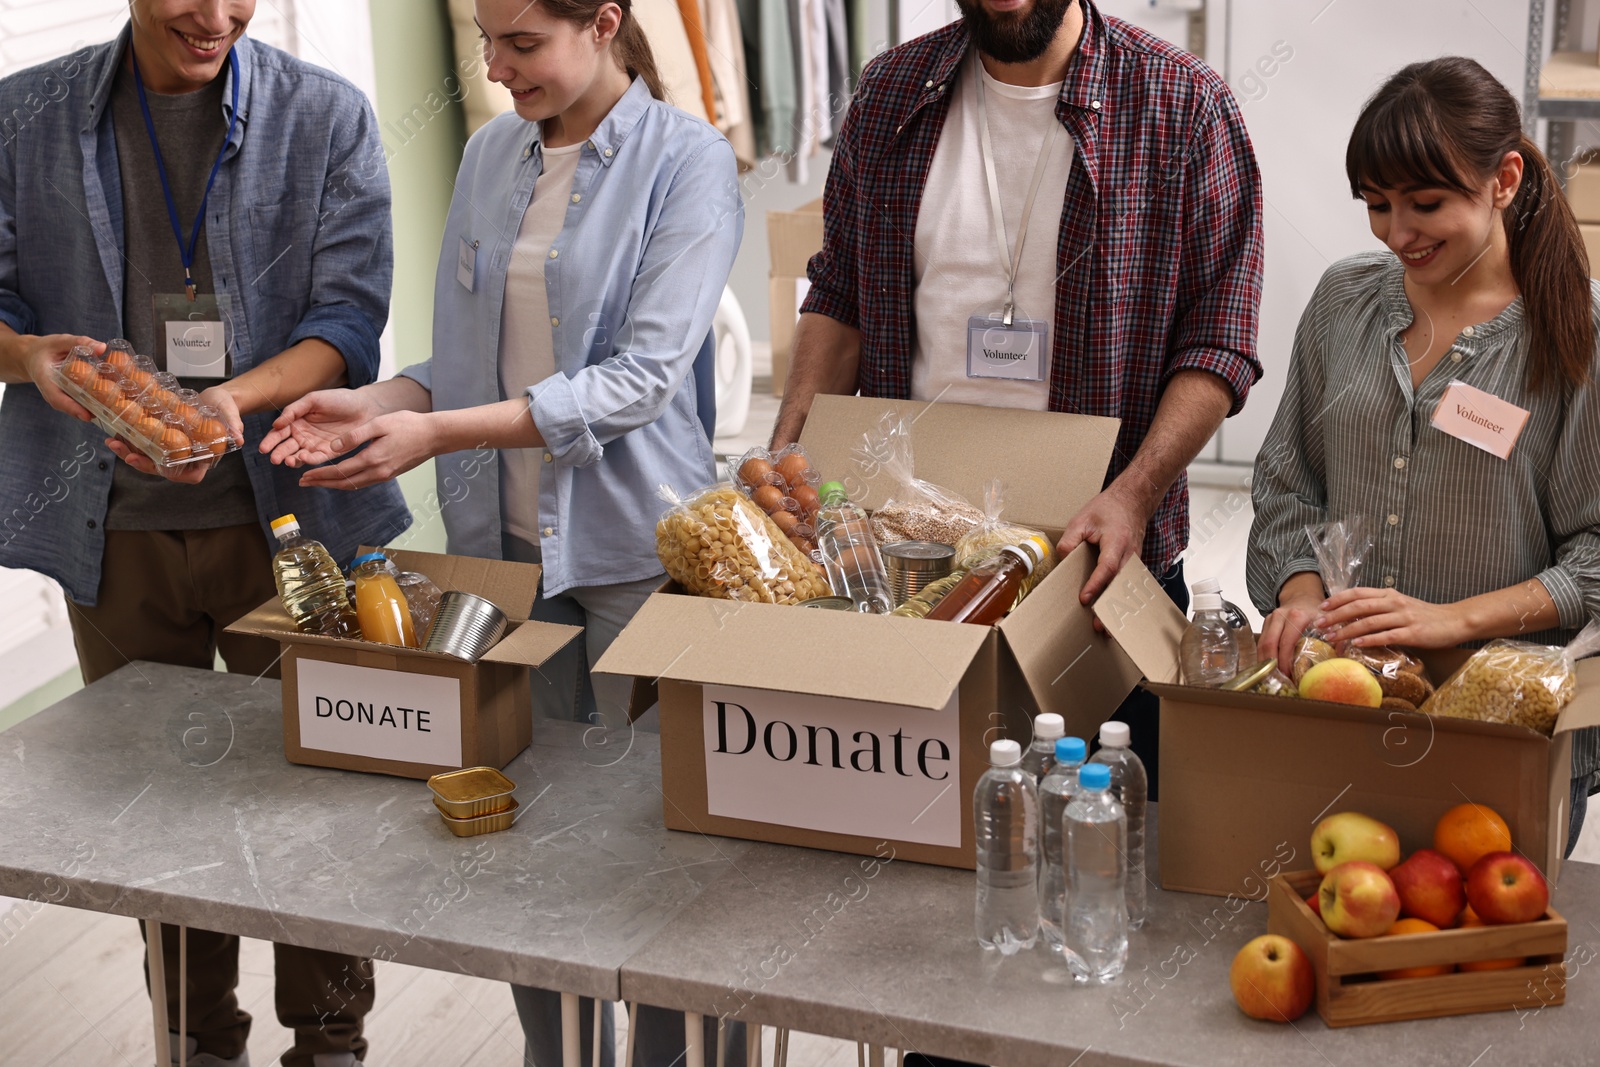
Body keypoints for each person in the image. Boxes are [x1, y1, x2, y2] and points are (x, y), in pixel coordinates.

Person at [259, 1, 743, 1064]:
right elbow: (467, 363)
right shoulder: (489, 155)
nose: (494, 65)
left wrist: (427, 432)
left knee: (665, 848)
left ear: (604, 23)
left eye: (520, 43)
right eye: (487, 39)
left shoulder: (687, 160)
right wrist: (381, 401)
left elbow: (639, 380)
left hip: (632, 555)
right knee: (522, 838)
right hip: (502, 560)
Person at [0, 3, 408, 1065]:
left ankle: (330, 1040)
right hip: (111, 533)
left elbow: (350, 320)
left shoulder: (326, 115)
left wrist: (228, 405)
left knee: (313, 796)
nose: (218, 13)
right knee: (160, 812)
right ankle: (194, 1036)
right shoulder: (22, 115)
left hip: (289, 523)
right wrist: (31, 356)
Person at [769, 0, 1263, 795]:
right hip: (910, 560)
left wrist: (1134, 496)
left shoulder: (1183, 107)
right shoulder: (892, 93)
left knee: (1107, 829)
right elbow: (841, 293)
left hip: (1097, 563)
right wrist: (787, 446)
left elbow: (1219, 342)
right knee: (911, 819)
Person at [1248, 57, 1600, 851]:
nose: (1397, 232)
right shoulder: (1345, 301)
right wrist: (1302, 595)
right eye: (1377, 205)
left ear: (1504, 179)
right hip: (1346, 707)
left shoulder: (1576, 338)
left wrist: (1449, 620)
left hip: (1504, 727)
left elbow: (1597, 553)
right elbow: (1286, 484)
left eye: (1426, 203)